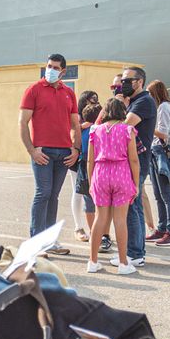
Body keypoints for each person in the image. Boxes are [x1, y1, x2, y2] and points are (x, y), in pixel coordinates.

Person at [19, 53, 81, 249]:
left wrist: (76, 149)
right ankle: (36, 241)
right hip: (42, 152)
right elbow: (22, 121)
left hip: (64, 153)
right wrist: (31, 150)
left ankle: (49, 240)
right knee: (43, 193)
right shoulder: (34, 90)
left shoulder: (69, 93)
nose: (51, 70)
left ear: (63, 71)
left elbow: (75, 125)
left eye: (55, 68)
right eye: (49, 66)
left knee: (53, 195)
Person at [86, 98, 139, 275]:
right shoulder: (127, 130)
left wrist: (91, 180)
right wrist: (136, 183)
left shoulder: (95, 130)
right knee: (120, 219)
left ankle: (92, 261)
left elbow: (90, 159)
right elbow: (133, 159)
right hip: (121, 173)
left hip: (100, 173)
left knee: (100, 218)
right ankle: (123, 263)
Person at [116, 67, 155, 265]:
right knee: (135, 205)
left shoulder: (143, 102)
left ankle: (134, 253)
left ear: (139, 81)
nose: (123, 84)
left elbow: (123, 127)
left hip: (136, 163)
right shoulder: (136, 102)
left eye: (126, 80)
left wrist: (118, 105)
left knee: (132, 207)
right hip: (134, 162)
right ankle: (136, 252)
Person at [147, 79, 170, 245]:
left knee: (166, 194)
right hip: (156, 151)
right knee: (158, 194)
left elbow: (163, 133)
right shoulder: (165, 107)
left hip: (161, 151)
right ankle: (161, 228)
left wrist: (146, 127)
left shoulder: (163, 108)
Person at [75, 91, 102, 244]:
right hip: (87, 165)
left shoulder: (92, 130)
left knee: (93, 202)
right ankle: (95, 232)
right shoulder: (84, 128)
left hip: (90, 165)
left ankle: (97, 232)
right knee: (91, 201)